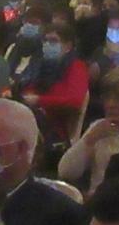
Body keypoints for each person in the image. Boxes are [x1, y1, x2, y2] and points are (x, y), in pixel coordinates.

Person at [59, 67, 119, 194]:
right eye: (107, 98)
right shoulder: (98, 128)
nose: (110, 104)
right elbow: (65, 172)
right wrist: (89, 140)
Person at [19, 17, 91, 145]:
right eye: (45, 41)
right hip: (33, 122)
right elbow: (29, 88)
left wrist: (39, 100)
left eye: (53, 41)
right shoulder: (41, 65)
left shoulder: (76, 66)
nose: (47, 45)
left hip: (56, 130)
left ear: (68, 46)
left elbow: (74, 101)